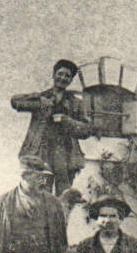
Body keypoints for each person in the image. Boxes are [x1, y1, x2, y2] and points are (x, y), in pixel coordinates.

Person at [10, 59, 93, 194]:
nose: (63, 78)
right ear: (53, 75)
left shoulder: (75, 103)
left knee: (64, 195)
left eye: (67, 76)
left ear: (71, 80)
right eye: (60, 74)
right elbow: (15, 102)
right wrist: (37, 97)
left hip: (65, 154)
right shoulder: (42, 98)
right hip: (41, 152)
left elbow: (87, 130)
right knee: (39, 194)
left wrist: (67, 121)